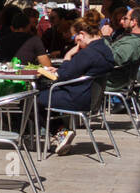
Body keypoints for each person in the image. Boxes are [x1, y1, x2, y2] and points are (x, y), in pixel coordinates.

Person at [37, 18, 118, 154]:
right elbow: (77, 71)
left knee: (34, 98)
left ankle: (60, 132)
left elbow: (64, 75)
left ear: (82, 34)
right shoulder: (105, 49)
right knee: (45, 96)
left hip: (78, 97)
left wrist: (68, 55)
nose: (75, 40)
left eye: (75, 36)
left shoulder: (88, 53)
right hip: (91, 97)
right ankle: (62, 132)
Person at [107, 6, 140, 92]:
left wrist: (105, 38)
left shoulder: (135, 43)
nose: (122, 21)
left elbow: (114, 58)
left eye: (125, 18)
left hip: (111, 81)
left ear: (134, 22)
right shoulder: (134, 40)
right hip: (111, 77)